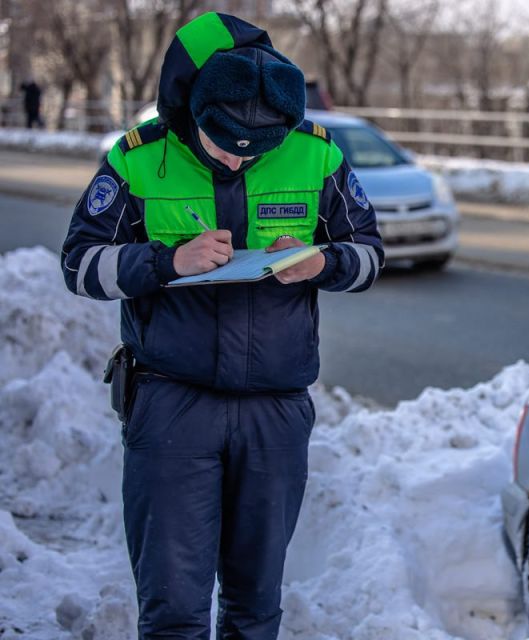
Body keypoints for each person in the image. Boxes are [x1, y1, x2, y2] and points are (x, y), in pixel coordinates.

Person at [60, 12, 382, 639]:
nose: (239, 162)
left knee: (256, 608)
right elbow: (79, 265)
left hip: (276, 414)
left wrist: (323, 261)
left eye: (258, 150)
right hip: (173, 407)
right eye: (223, 144)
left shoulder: (316, 151)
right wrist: (166, 261)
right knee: (176, 611)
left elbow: (369, 256)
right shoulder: (137, 159)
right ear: (190, 108)